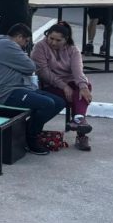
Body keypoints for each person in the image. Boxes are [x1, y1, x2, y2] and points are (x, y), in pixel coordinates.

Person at [0, 22, 65, 155]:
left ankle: (26, 130)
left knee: (59, 102)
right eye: (26, 42)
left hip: (18, 88)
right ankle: (31, 139)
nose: (25, 46)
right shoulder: (7, 44)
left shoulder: (3, 44)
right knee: (47, 104)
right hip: (5, 92)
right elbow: (30, 67)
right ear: (19, 37)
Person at [31, 21, 94, 151]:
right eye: (51, 38)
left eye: (58, 40)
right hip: (51, 84)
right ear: (47, 35)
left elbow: (78, 71)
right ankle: (80, 129)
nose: (53, 42)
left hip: (71, 84)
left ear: (66, 40)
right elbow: (43, 72)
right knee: (76, 96)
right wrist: (64, 86)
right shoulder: (40, 47)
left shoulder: (73, 50)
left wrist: (83, 86)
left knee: (84, 87)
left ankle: (78, 120)